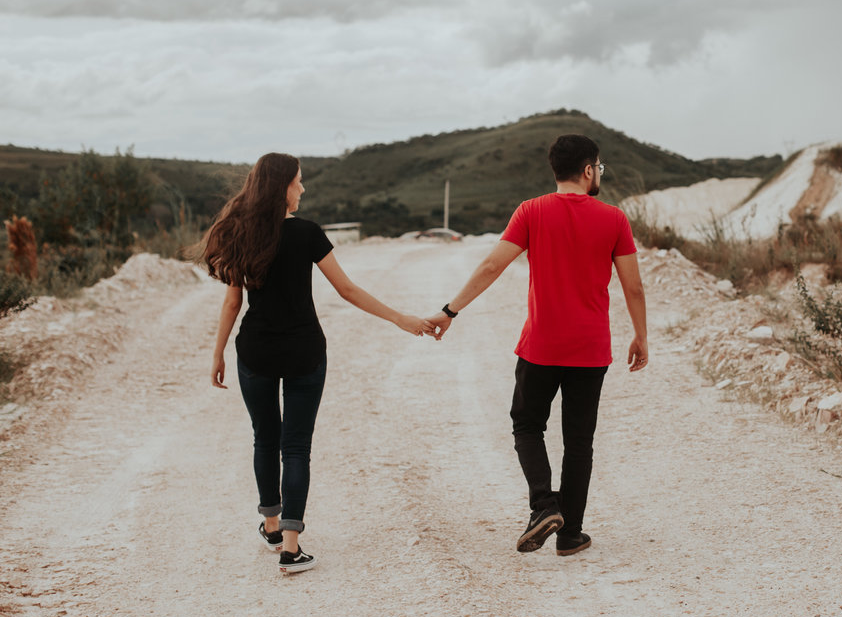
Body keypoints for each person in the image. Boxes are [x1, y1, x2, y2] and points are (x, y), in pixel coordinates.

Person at [202, 152, 433, 574]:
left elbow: (233, 302)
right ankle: (291, 549)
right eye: (299, 181)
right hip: (304, 352)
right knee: (296, 447)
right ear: (282, 187)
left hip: (255, 351)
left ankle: (271, 526)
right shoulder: (307, 233)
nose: (303, 188)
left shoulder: (240, 232)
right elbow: (347, 290)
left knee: (264, 438)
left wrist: (217, 352)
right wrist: (400, 318)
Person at [427, 134, 648, 556]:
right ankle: (570, 535)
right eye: (599, 168)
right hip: (590, 349)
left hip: (541, 346)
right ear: (588, 170)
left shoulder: (531, 211)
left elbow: (492, 266)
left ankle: (544, 505)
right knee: (579, 441)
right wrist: (641, 334)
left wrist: (450, 310)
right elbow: (633, 286)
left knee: (527, 425)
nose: (599, 174)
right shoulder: (615, 219)